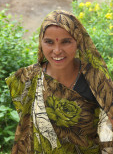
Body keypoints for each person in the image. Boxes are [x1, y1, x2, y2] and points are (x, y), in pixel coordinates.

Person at [6, 10, 113, 154]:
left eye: (66, 41)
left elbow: (109, 130)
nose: (57, 51)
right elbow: (26, 132)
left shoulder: (95, 79)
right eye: (49, 42)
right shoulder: (28, 79)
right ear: (40, 42)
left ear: (78, 41)